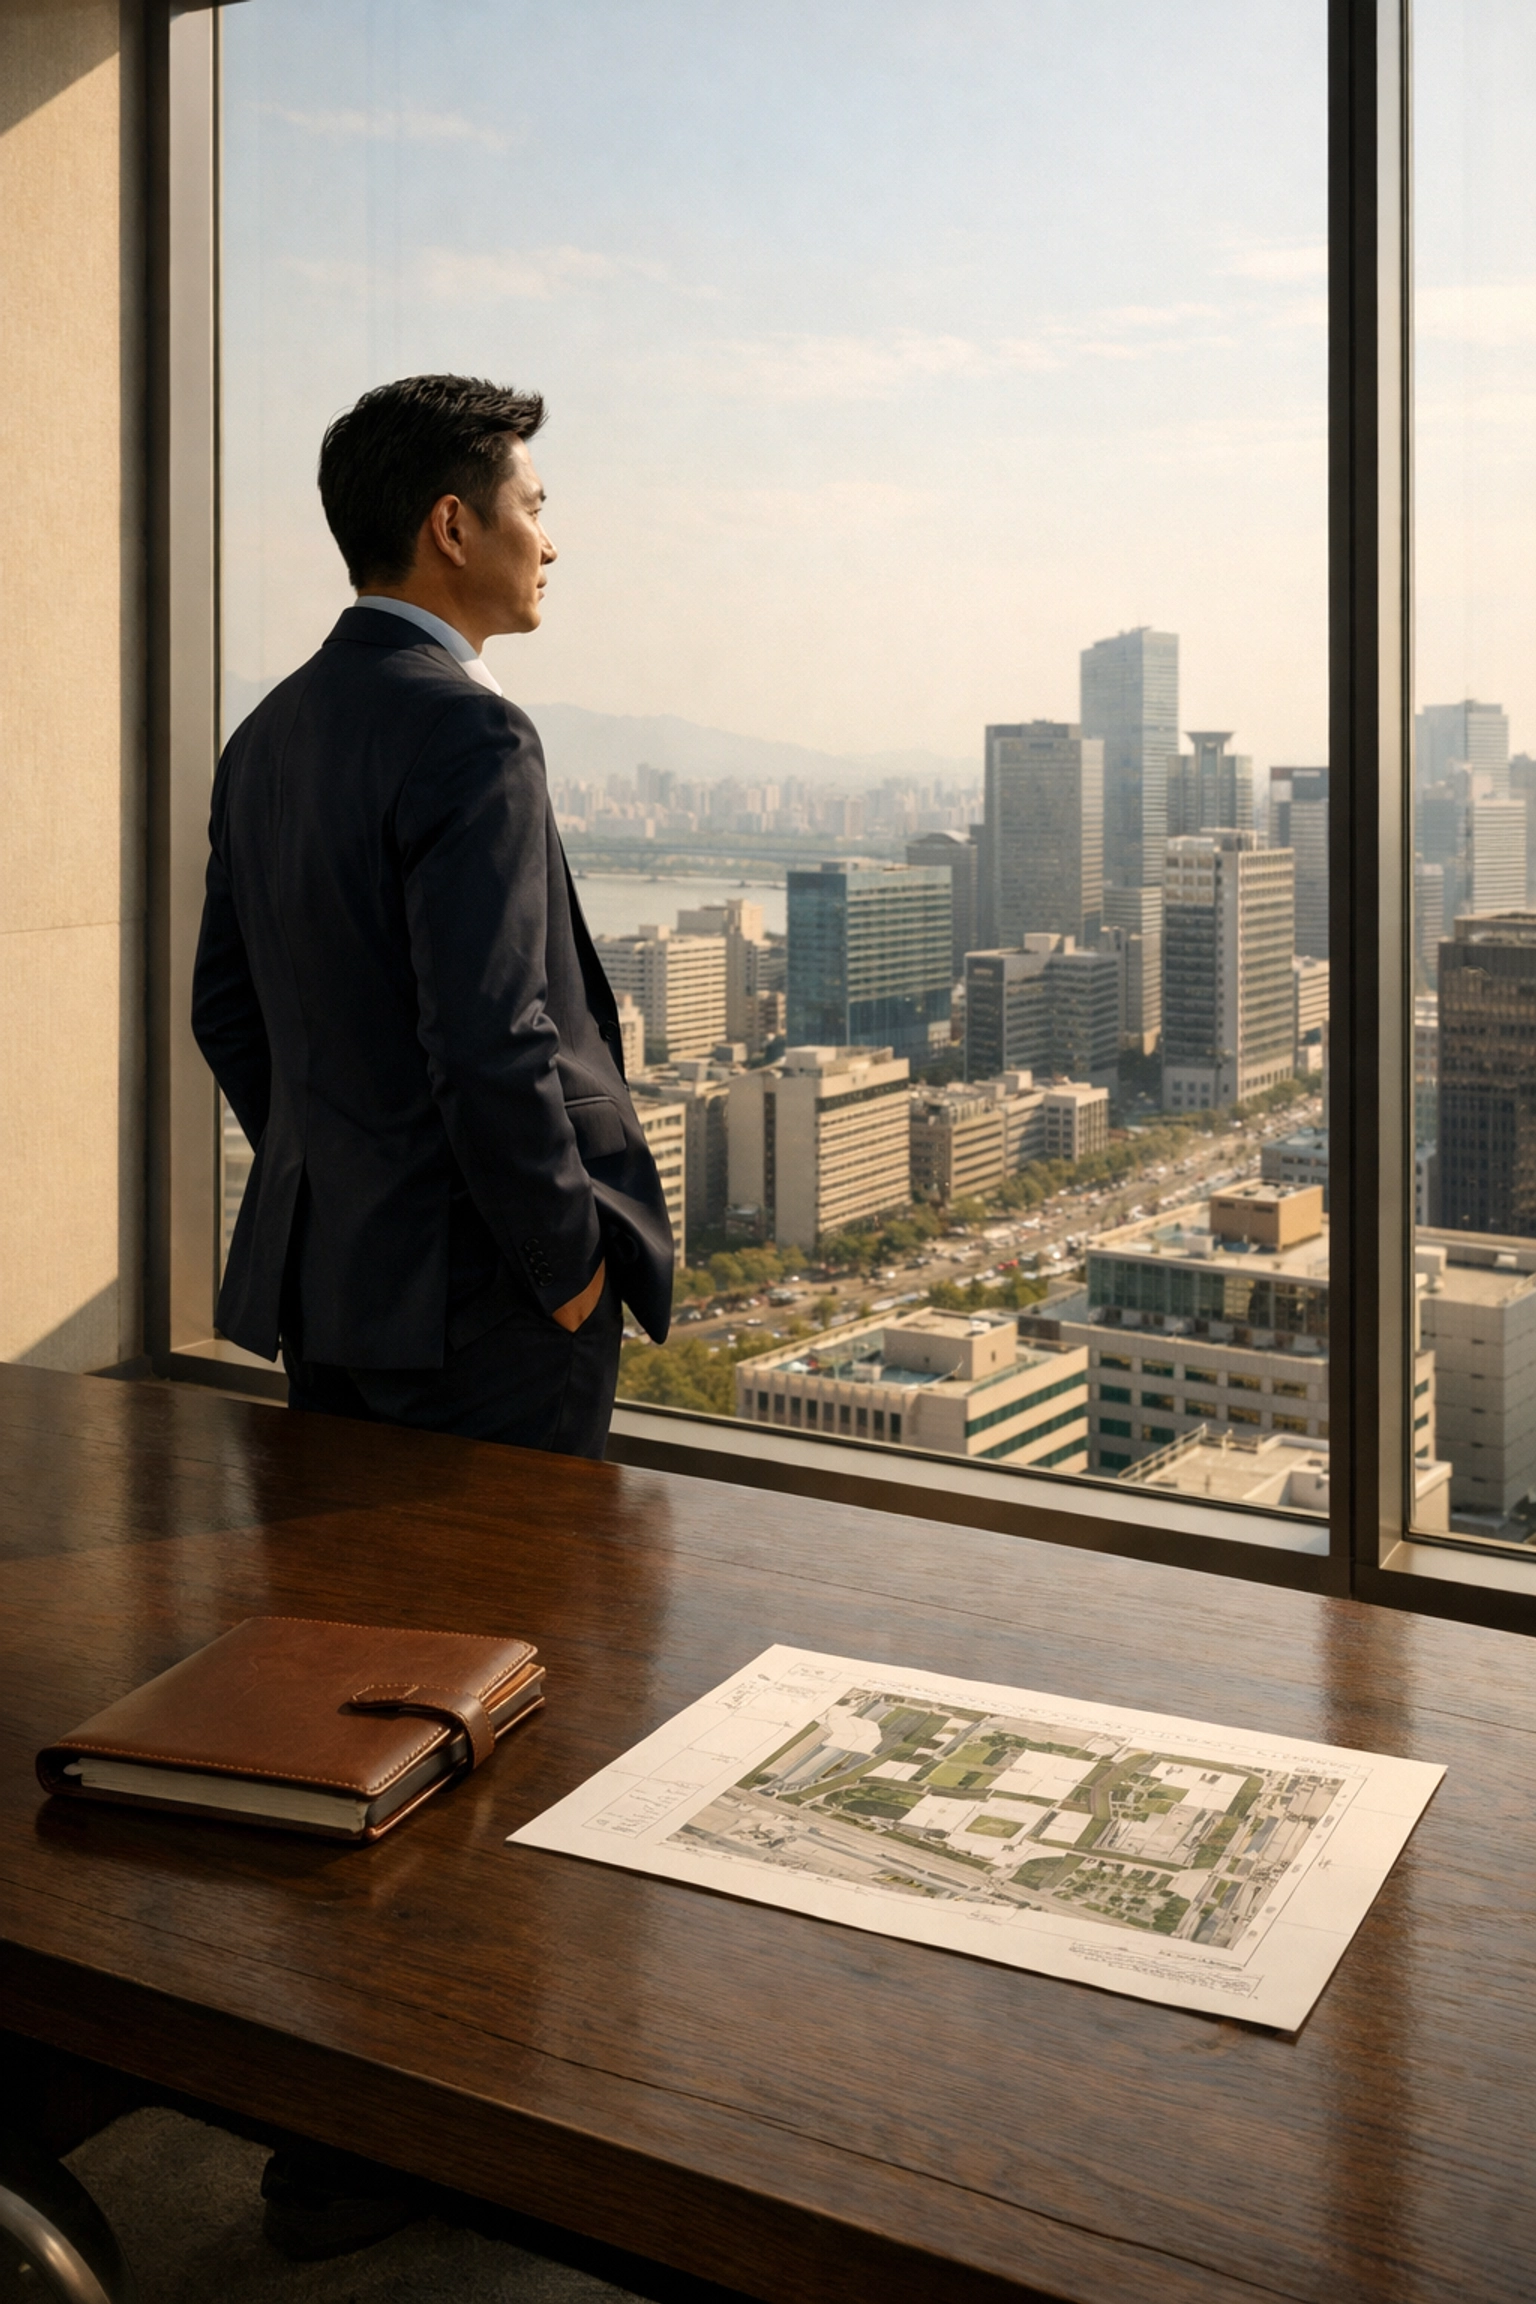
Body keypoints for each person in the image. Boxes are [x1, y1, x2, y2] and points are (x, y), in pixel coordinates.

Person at [192, 374, 673, 1466]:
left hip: (333, 1288)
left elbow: (225, 1011)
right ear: (453, 526)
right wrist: (569, 1275)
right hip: (485, 1307)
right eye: (535, 507)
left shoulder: (264, 734)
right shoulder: (473, 734)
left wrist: (359, 1186)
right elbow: (492, 1039)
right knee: (513, 1623)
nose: (551, 544)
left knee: (357, 1618)